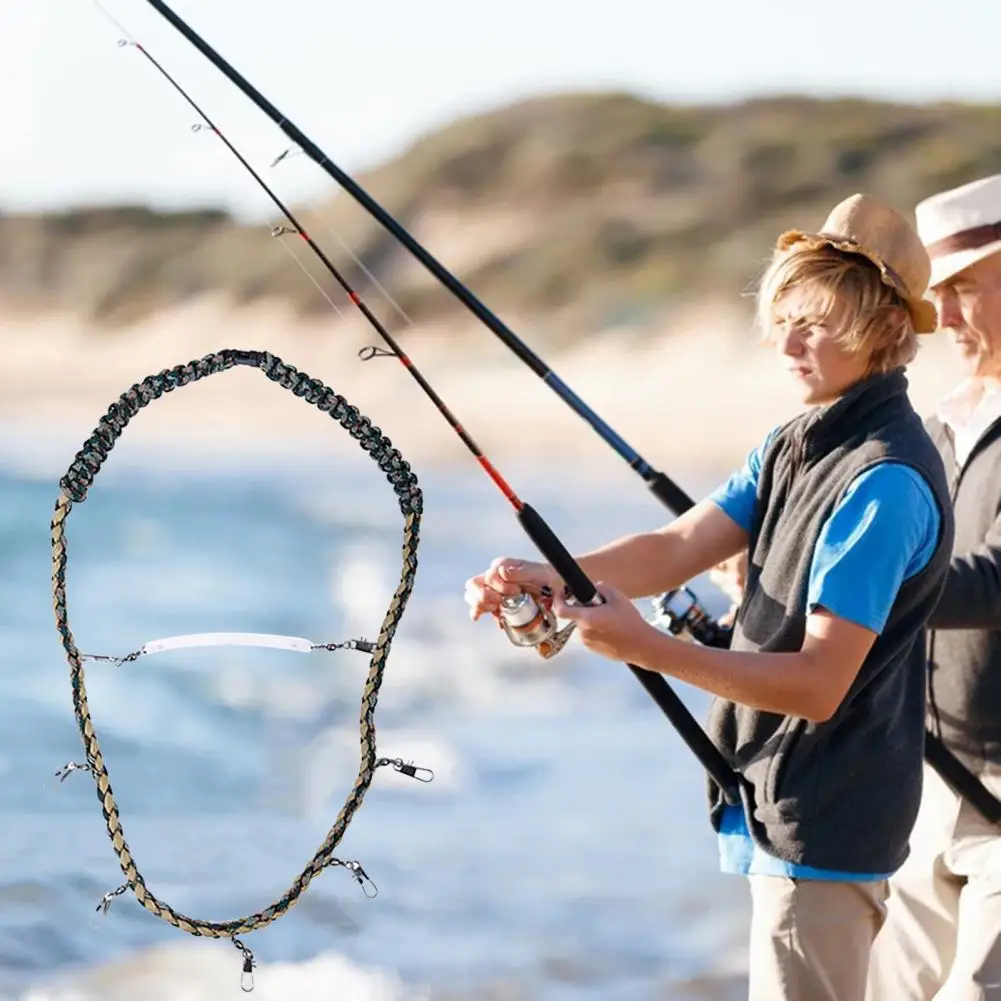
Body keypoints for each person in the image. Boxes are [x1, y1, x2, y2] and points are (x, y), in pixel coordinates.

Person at [464, 193, 956, 1001]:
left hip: (826, 818)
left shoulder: (884, 482)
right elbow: (678, 546)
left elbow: (818, 682)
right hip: (784, 805)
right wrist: (546, 576)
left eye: (817, 323)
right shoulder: (797, 440)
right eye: (784, 318)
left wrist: (647, 647)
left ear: (880, 327)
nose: (788, 344)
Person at [864, 174, 1001, 1000]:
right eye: (935, 297)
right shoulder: (937, 424)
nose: (943, 320)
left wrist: (851, 584)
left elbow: (990, 580)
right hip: (921, 782)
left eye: (963, 292)